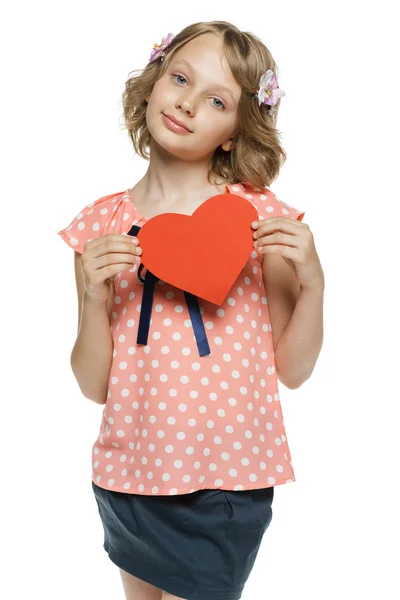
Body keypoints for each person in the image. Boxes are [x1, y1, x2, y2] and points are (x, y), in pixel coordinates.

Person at [57, 20, 325, 600]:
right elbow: (92, 384)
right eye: (180, 78)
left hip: (227, 482)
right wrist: (92, 296)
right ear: (153, 82)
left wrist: (314, 284)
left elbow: (294, 370)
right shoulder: (99, 226)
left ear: (234, 131)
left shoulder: (259, 220)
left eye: (217, 100)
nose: (187, 102)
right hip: (128, 476)